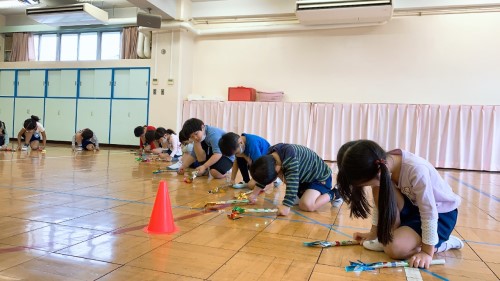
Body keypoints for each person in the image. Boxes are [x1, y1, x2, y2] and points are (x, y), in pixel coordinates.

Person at [336, 139, 463, 269]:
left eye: (366, 184)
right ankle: (402, 239)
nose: (369, 186)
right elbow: (380, 202)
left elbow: (429, 212)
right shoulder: (383, 163)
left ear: (378, 174)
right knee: (379, 189)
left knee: (394, 250)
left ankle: (440, 243)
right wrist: (373, 234)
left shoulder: (416, 170)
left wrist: (426, 252)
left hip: (440, 216)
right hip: (414, 211)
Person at [249, 143, 342, 216]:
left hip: (320, 178)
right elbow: (264, 176)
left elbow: (292, 184)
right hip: (304, 179)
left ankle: (336, 193)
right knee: (294, 199)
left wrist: (286, 206)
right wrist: (254, 194)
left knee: (306, 205)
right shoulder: (271, 156)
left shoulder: (290, 160)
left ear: (277, 168)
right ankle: (303, 194)